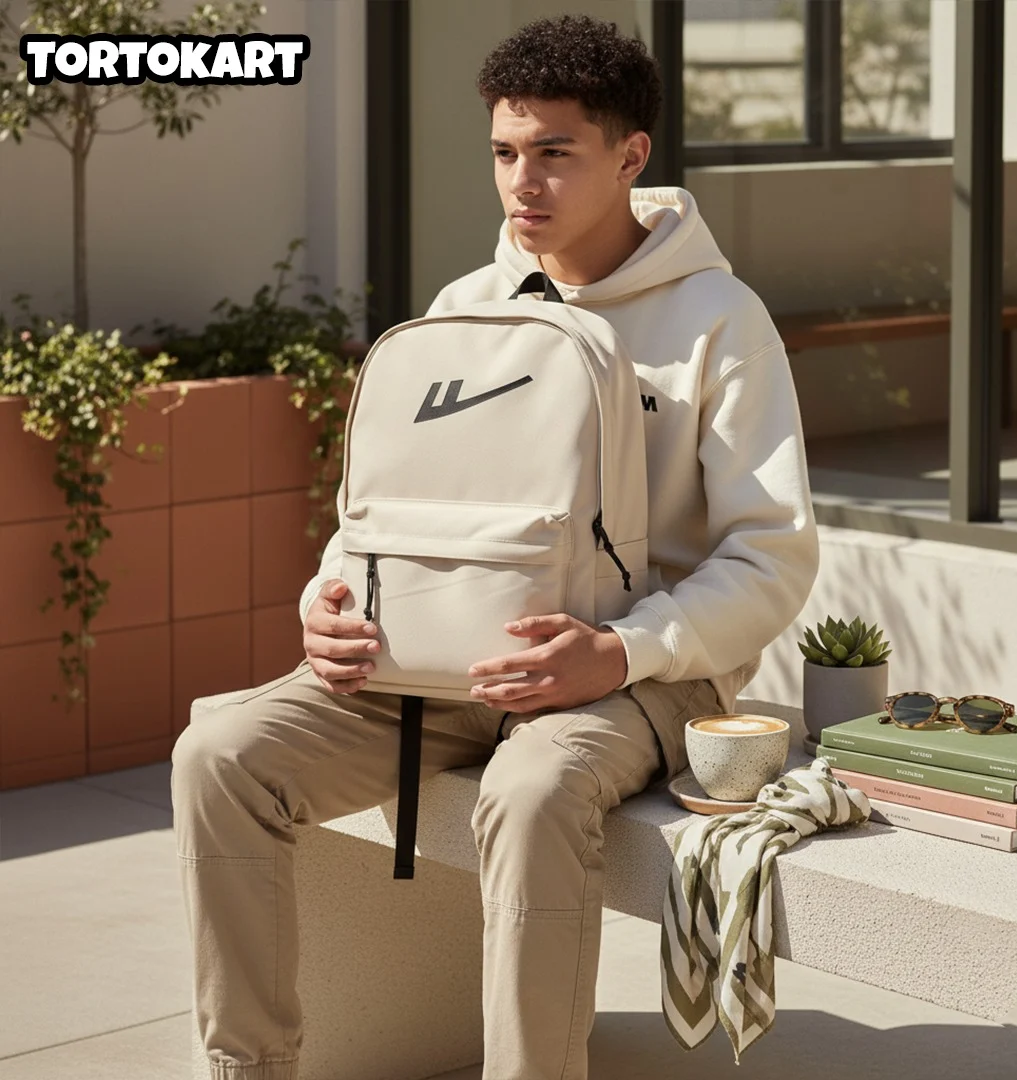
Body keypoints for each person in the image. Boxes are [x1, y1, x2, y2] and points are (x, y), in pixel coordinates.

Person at [171, 13, 819, 1080]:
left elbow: (774, 556)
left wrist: (616, 653)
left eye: (557, 152)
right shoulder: (464, 311)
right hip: (437, 665)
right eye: (507, 153)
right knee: (221, 757)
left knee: (529, 790)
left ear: (630, 155)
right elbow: (382, 519)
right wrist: (328, 600)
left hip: (640, 678)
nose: (525, 182)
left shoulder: (719, 320)